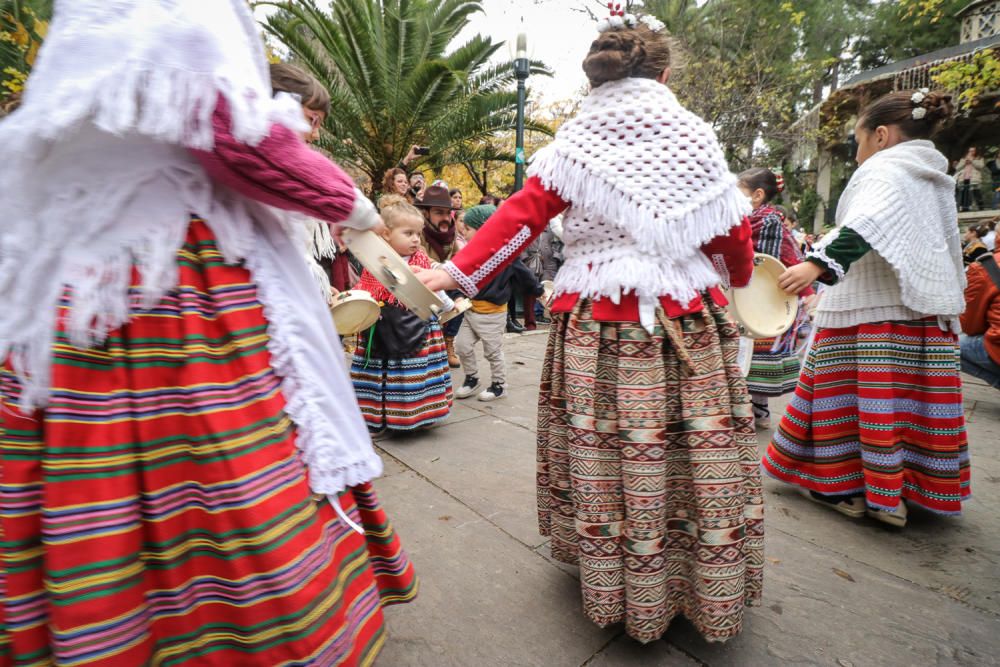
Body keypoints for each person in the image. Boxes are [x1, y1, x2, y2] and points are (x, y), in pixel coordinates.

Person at [0, 2, 417, 665]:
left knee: (93, 474)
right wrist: (353, 205)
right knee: (221, 466)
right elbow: (234, 133)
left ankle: (109, 623)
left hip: (77, 280)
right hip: (166, 283)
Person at [419, 13, 762, 644]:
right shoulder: (694, 138)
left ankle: (614, 574)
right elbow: (732, 238)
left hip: (597, 324)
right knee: (693, 443)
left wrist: (455, 273)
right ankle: (696, 576)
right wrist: (732, 280)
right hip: (685, 319)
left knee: (603, 448)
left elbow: (518, 220)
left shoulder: (571, 144)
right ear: (662, 74)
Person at [765, 89, 969, 528]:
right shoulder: (933, 178)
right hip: (924, 317)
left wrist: (815, 264)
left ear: (880, 135)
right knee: (903, 406)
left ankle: (852, 491)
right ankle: (897, 490)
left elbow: (866, 223)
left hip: (870, 318)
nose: (857, 154)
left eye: (857, 141)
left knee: (847, 403)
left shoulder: (886, 170)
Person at [351, 197, 454, 435]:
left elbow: (435, 288)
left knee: (418, 371)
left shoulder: (422, 262)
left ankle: (422, 414)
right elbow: (364, 287)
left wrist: (448, 307)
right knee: (380, 373)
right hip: (381, 324)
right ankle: (376, 417)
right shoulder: (374, 262)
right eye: (408, 233)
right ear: (386, 234)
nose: (416, 239)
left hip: (418, 323)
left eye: (418, 233)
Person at [738, 167, 814, 428]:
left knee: (755, 355)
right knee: (750, 355)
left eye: (739, 192)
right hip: (752, 294)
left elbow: (764, 263)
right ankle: (755, 409)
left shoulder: (766, 220)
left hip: (763, 295)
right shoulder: (751, 219)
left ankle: (755, 410)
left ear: (757, 195)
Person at [454, 205, 541, 401]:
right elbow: (455, 276)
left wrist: (540, 291)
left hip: (493, 314)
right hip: (471, 311)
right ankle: (472, 378)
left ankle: (499, 384)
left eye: (467, 229)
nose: (463, 232)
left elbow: (526, 277)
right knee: (462, 346)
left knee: (492, 352)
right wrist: (455, 296)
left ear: (483, 229)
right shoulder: (468, 253)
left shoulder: (505, 255)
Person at [416, 184, 464, 367]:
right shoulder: (418, 229)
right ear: (427, 213)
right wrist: (440, 269)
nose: (445, 217)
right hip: (422, 279)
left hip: (444, 279)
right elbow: (418, 256)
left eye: (447, 213)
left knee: (462, 300)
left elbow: (459, 258)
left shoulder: (451, 231)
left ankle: (449, 342)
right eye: (438, 213)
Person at [956, 146, 985, 212]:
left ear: (975, 152)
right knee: (965, 194)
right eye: (969, 151)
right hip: (964, 178)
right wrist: (964, 162)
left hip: (974, 178)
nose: (971, 152)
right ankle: (965, 208)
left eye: (973, 151)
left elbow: (981, 166)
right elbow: (957, 168)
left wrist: (972, 160)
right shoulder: (963, 159)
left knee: (976, 193)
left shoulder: (979, 158)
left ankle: (981, 207)